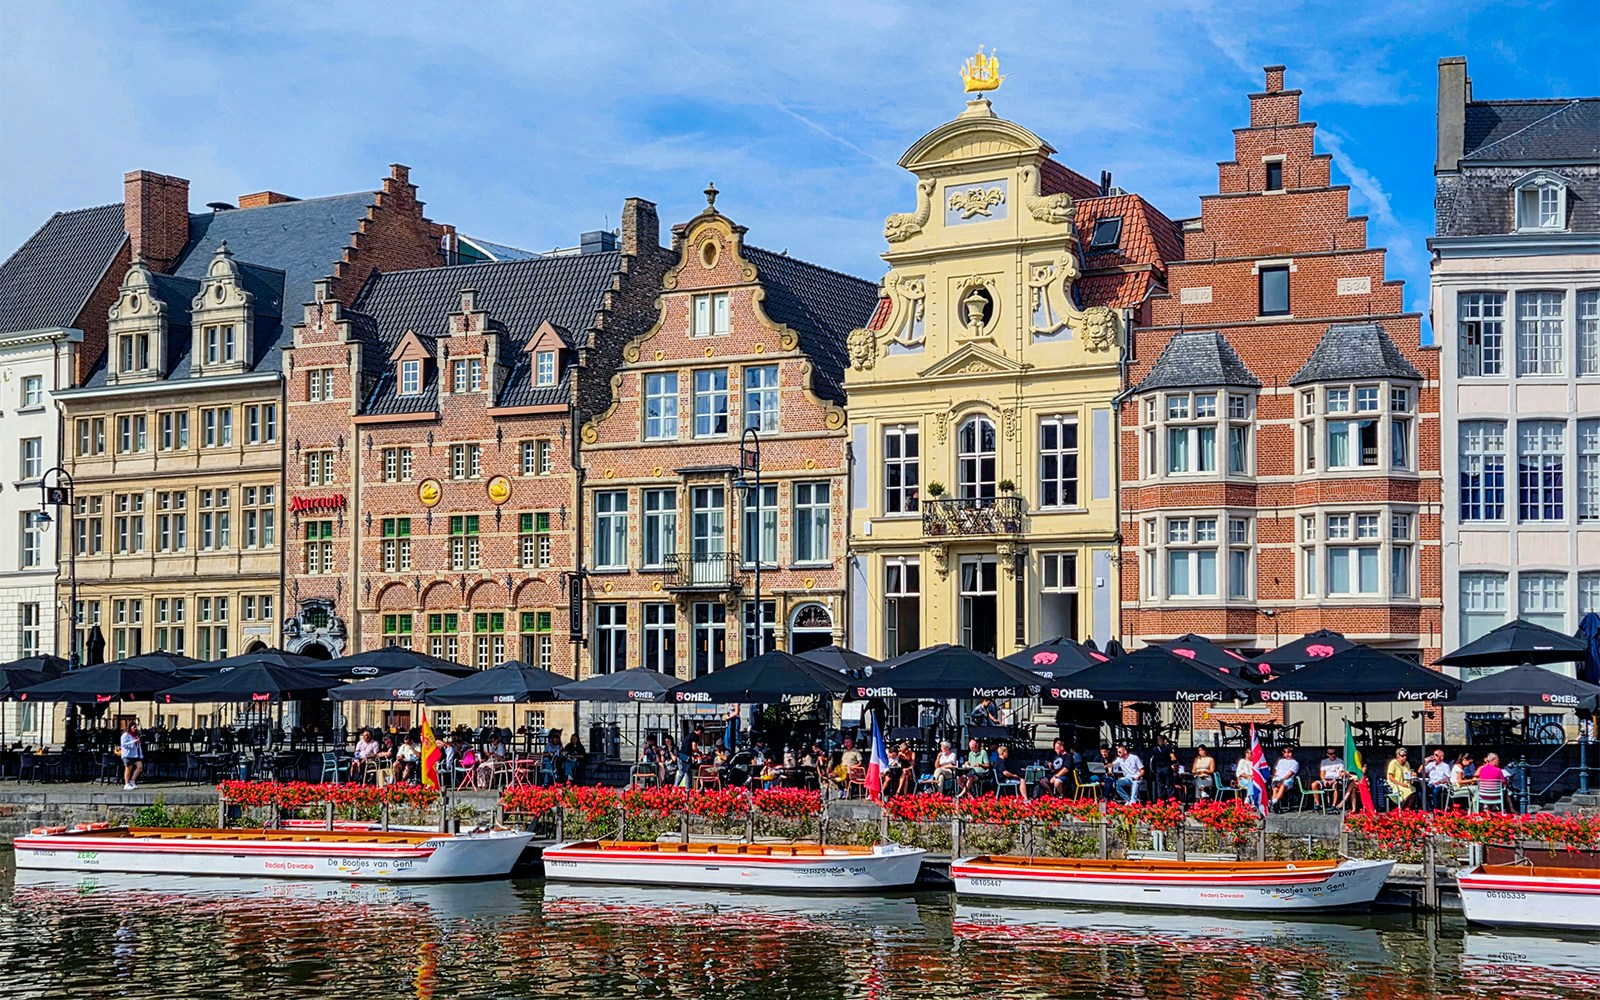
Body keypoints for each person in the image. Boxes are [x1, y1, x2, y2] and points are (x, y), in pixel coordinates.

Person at [1149, 735, 1180, 801]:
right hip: (1167, 767)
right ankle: (1171, 799)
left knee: (1160, 785)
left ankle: (1161, 800)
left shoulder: (1155, 749)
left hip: (1158, 768)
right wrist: (1174, 763)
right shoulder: (1168, 747)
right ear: (1164, 740)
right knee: (1169, 784)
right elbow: (1173, 757)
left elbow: (1153, 759)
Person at [120, 722, 144, 790]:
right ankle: (126, 783)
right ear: (130, 727)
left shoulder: (136, 735)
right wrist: (133, 741)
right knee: (128, 768)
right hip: (128, 754)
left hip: (136, 753)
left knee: (140, 766)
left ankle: (132, 780)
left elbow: (138, 745)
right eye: (134, 727)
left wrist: (141, 754)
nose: (135, 729)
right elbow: (123, 744)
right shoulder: (125, 735)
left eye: (136, 727)